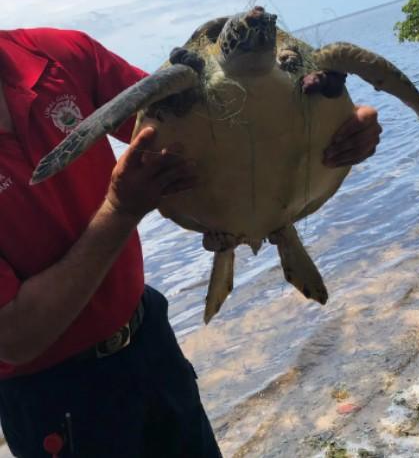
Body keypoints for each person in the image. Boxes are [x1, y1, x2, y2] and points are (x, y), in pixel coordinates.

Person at [0, 26, 382, 457]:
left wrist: (328, 132)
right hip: (55, 399)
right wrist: (121, 211)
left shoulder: (57, 53)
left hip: (149, 339)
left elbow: (196, 123)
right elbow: (15, 335)